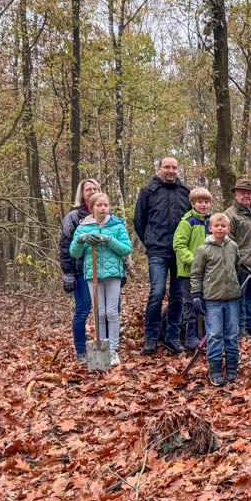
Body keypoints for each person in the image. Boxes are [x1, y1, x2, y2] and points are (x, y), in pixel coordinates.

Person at [134, 156, 191, 355]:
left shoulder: (186, 192)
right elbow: (139, 222)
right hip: (157, 251)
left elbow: (191, 222)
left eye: (174, 167)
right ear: (159, 169)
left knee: (178, 295)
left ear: (178, 170)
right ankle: (150, 337)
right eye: (167, 167)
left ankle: (172, 337)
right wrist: (150, 242)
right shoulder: (148, 192)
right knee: (157, 292)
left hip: (180, 253)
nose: (171, 171)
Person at [69, 192, 132, 366]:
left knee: (111, 312)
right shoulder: (83, 227)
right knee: (99, 312)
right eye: (99, 205)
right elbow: (74, 253)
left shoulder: (117, 225)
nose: (103, 208)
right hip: (93, 275)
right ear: (92, 208)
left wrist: (108, 240)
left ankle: (112, 350)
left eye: (106, 205)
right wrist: (80, 240)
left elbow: (126, 249)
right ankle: (102, 349)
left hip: (113, 274)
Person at [190, 212, 241, 386]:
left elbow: (237, 265)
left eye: (223, 226)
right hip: (212, 299)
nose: (220, 229)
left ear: (228, 228)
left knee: (232, 334)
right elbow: (196, 274)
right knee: (214, 334)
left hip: (232, 297)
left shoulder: (233, 246)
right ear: (210, 228)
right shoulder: (203, 250)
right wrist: (196, 295)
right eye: (216, 226)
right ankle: (215, 369)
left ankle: (232, 367)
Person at [60, 178, 100, 363]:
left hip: (104, 271)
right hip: (80, 270)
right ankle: (81, 351)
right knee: (83, 308)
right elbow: (65, 245)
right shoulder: (74, 217)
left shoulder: (106, 214)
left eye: (95, 188)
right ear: (82, 194)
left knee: (111, 309)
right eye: (88, 189)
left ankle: (106, 348)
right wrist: (67, 273)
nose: (92, 192)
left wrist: (122, 269)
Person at [173, 187, 212, 351]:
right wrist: (195, 261)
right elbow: (179, 245)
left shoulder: (212, 222)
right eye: (200, 202)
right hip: (188, 272)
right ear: (193, 203)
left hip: (208, 272)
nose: (204, 205)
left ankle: (207, 335)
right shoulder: (187, 222)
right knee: (190, 303)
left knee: (207, 302)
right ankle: (190, 336)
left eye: (206, 202)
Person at [225, 179, 251, 338]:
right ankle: (240, 328)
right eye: (243, 193)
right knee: (240, 296)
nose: (246, 196)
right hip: (239, 264)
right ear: (236, 194)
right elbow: (228, 241)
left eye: (249, 193)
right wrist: (235, 262)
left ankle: (250, 324)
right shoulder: (229, 214)